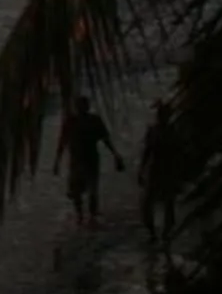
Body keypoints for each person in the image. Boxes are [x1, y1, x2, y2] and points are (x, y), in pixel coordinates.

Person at [56, 95, 124, 227]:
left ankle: (91, 216)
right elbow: (62, 142)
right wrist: (57, 161)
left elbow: (105, 139)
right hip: (76, 161)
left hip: (90, 160)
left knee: (92, 190)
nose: (82, 108)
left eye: (84, 105)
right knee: (76, 192)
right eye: (80, 105)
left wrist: (115, 154)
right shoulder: (70, 122)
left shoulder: (94, 121)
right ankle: (80, 216)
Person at [136, 98, 181, 246]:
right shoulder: (153, 131)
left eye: (163, 114)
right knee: (147, 206)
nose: (160, 117)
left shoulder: (174, 131)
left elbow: (180, 153)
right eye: (159, 114)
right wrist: (141, 170)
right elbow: (147, 152)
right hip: (155, 171)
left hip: (168, 171)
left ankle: (165, 235)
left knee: (168, 205)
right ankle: (153, 234)